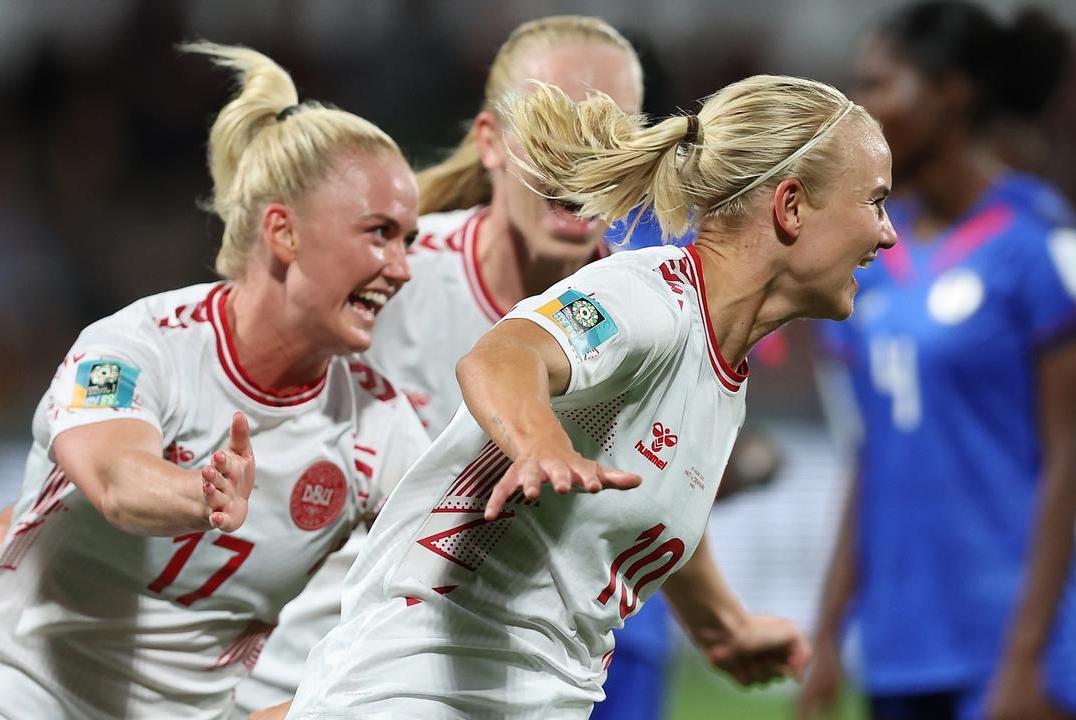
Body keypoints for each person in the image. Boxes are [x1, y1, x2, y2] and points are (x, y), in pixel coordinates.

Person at [285, 71, 897, 719]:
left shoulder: (719, 371)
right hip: (413, 691)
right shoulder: (651, 298)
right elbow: (503, 356)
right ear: (792, 206)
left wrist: (725, 627)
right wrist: (540, 443)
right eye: (875, 202)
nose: (886, 234)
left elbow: (642, 504)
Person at [0, 42, 429, 719]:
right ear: (284, 232)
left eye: (409, 241)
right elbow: (115, 480)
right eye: (379, 233)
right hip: (11, 698)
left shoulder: (378, 428)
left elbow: (441, 594)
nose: (400, 267)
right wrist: (200, 495)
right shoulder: (134, 350)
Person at [235, 16, 677, 720]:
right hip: (309, 681)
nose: (580, 159)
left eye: (611, 136)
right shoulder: (387, 277)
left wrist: (724, 620)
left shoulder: (650, 321)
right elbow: (226, 406)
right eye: (549, 130)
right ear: (490, 144)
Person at [796, 3, 1076, 720]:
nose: (863, 110)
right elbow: (868, 459)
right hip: (901, 652)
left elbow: (1069, 456)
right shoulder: (871, 256)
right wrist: (828, 634)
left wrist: (1026, 657)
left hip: (1011, 650)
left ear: (949, 93)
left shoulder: (1039, 242)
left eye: (880, 85)